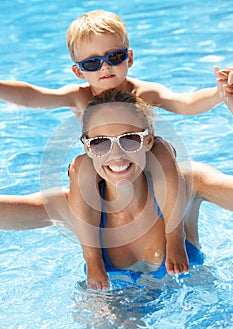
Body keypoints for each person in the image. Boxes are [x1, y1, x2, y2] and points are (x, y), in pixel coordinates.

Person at [0, 10, 231, 277]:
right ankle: (94, 260)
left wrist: (217, 93)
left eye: (115, 57)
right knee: (79, 167)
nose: (105, 67)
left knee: (162, 150)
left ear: (129, 58)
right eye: (92, 64)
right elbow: (33, 95)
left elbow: (186, 102)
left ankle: (174, 237)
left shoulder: (143, 93)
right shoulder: (78, 97)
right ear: (78, 71)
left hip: (149, 164)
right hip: (101, 173)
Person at [1, 89, 233, 291]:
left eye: (130, 139)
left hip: (192, 304)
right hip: (114, 308)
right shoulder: (75, 205)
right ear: (87, 148)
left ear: (149, 140)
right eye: (100, 142)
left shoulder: (190, 183)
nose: (117, 154)